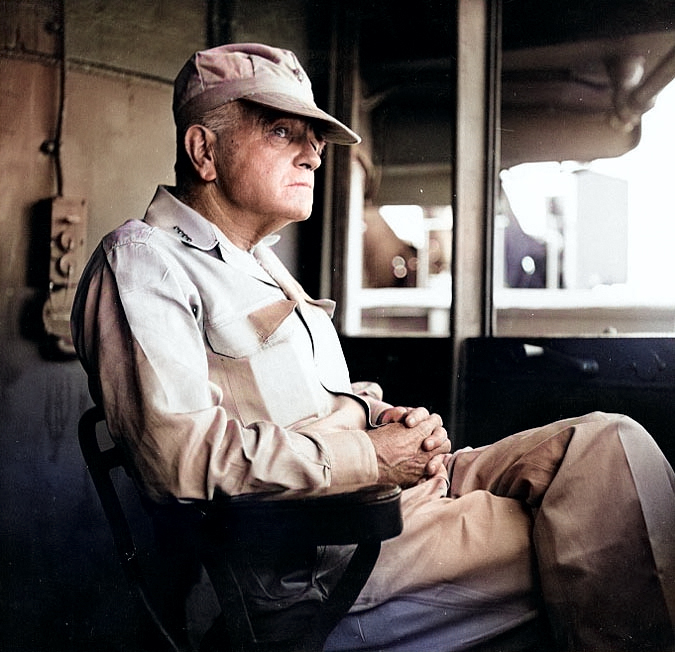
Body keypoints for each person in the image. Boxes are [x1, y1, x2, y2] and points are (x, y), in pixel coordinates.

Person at [71, 43, 675, 651]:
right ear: (204, 151)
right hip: (330, 556)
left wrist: (383, 418)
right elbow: (177, 461)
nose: (312, 153)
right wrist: (374, 457)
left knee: (610, 444)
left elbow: (311, 403)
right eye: (282, 131)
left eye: (313, 137)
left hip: (391, 502)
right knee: (607, 534)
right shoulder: (145, 261)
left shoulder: (257, 264)